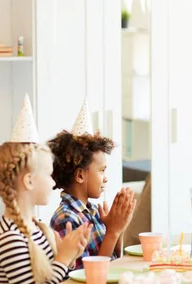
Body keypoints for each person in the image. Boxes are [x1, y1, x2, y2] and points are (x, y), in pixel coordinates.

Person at [0, 95, 91, 284]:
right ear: (29, 181)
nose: (53, 183)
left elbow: (47, 277)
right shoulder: (10, 238)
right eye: (48, 175)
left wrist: (68, 256)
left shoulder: (36, 227)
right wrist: (63, 258)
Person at [49, 98, 135, 270]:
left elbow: (112, 259)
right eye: (102, 170)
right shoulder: (67, 219)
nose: (106, 178)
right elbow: (89, 275)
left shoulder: (93, 211)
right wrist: (112, 232)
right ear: (80, 175)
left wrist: (118, 229)